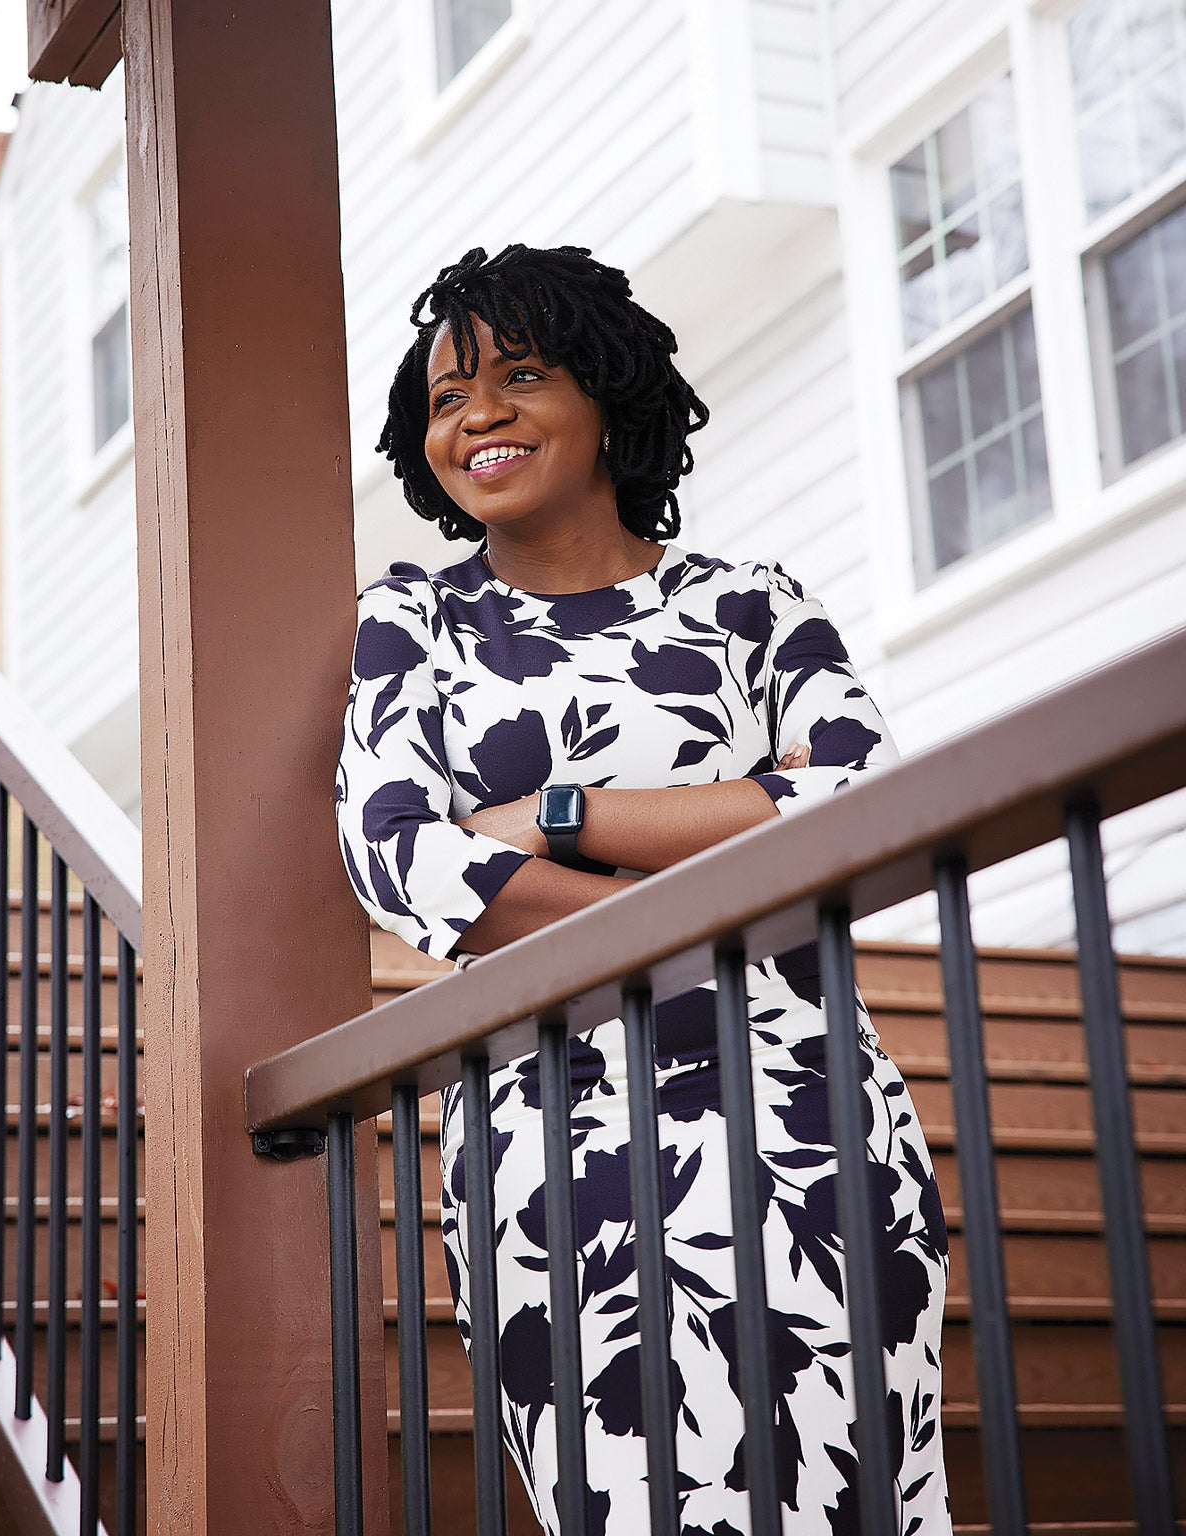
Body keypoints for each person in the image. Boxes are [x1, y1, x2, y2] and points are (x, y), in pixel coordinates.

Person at [334, 243, 952, 1535]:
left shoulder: (750, 608)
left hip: (794, 1098)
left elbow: (859, 797)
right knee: (624, 1494)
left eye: (520, 375)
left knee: (848, 1488)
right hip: (552, 1126)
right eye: (448, 398)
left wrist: (565, 816)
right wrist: (715, 872)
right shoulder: (415, 621)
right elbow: (398, 850)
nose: (480, 415)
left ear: (610, 395)